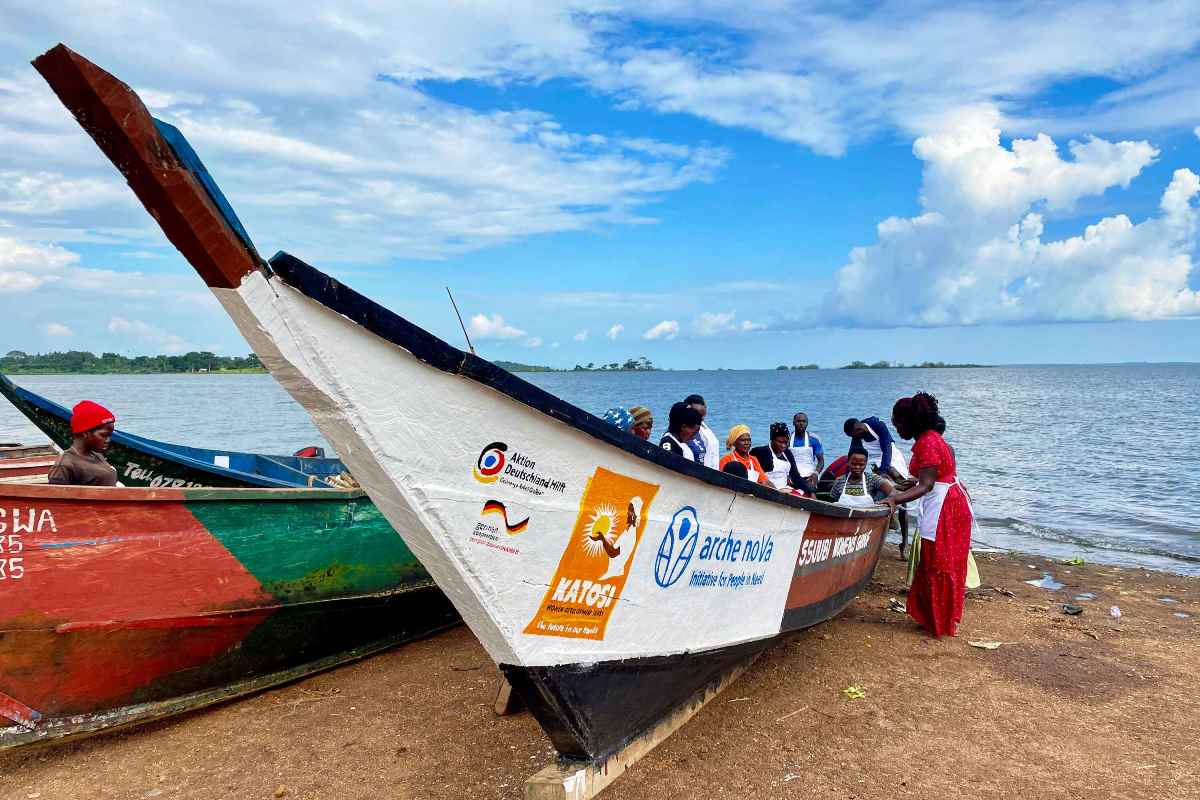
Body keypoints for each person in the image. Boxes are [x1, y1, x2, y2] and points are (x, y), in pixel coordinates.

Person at [884, 392, 975, 638]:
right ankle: (933, 617)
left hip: (946, 507)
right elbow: (929, 478)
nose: (896, 427)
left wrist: (893, 499)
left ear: (910, 421)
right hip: (947, 501)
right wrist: (908, 484)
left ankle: (940, 621)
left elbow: (926, 486)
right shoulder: (930, 438)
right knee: (936, 561)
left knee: (938, 562)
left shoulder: (928, 442)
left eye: (897, 423)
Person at [845, 414, 912, 550]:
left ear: (859, 427)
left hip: (891, 457)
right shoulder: (856, 436)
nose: (855, 437)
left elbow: (887, 448)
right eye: (853, 436)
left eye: (855, 433)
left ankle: (904, 543)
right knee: (878, 490)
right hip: (875, 460)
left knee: (902, 498)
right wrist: (847, 477)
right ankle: (889, 518)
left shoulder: (878, 426)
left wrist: (884, 470)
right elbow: (852, 455)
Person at [47, 400, 118, 486]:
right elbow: (56, 497)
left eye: (109, 435)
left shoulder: (97, 456)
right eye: (104, 435)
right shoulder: (65, 465)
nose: (108, 440)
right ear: (85, 433)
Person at [829, 447, 893, 507]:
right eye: (854, 464)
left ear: (866, 464)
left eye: (861, 464)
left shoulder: (872, 479)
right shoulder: (840, 481)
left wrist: (890, 500)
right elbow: (832, 502)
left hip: (868, 517)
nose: (857, 467)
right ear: (848, 463)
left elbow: (893, 492)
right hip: (843, 517)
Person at [751, 422, 804, 492]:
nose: (783, 446)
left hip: (785, 489)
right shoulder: (759, 452)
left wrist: (811, 491)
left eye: (786, 442)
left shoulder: (787, 453)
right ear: (772, 440)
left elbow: (795, 476)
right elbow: (753, 475)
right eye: (780, 442)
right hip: (767, 490)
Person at [789, 412, 824, 493]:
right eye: (798, 421)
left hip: (809, 475)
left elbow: (821, 461)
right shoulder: (788, 439)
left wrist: (816, 473)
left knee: (810, 491)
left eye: (804, 421)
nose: (801, 424)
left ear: (807, 423)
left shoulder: (814, 439)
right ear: (793, 422)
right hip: (791, 476)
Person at [684, 394, 719, 469]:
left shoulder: (706, 429)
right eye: (698, 416)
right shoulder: (683, 433)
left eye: (703, 415)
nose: (701, 419)